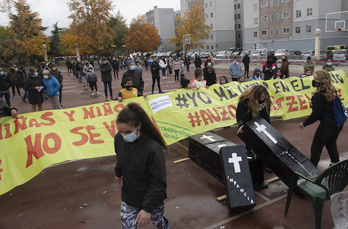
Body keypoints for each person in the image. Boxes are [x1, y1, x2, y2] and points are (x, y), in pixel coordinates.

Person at [114, 103, 170, 228]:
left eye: (128, 132)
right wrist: (118, 172)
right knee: (127, 225)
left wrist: (147, 209)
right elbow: (120, 156)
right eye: (121, 132)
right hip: (130, 196)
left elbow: (158, 182)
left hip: (152, 198)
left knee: (158, 220)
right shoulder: (119, 138)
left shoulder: (153, 148)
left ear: (139, 126)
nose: (124, 136)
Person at [299, 70, 343, 167]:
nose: (314, 80)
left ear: (322, 81)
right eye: (314, 78)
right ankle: (336, 166)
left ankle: (312, 171)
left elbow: (316, 114)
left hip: (327, 125)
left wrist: (304, 123)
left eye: (316, 79)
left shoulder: (319, 96)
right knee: (331, 144)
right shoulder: (332, 90)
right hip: (337, 122)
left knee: (316, 147)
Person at [236, 85, 271, 165]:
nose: (262, 99)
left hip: (260, 116)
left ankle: (263, 157)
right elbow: (239, 113)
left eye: (263, 97)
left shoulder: (266, 99)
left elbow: (267, 113)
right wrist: (241, 124)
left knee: (263, 136)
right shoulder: (245, 100)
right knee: (250, 134)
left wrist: (268, 126)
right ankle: (248, 148)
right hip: (249, 116)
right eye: (260, 97)